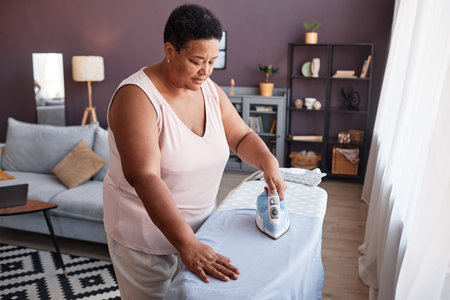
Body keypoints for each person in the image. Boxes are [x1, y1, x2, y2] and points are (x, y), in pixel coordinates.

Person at [103, 4, 286, 299]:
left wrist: (268, 162)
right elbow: (145, 177)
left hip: (201, 230)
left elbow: (240, 136)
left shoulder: (209, 90)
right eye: (197, 60)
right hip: (145, 239)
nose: (207, 71)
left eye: (212, 60)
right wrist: (185, 243)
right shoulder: (136, 98)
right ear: (170, 50)